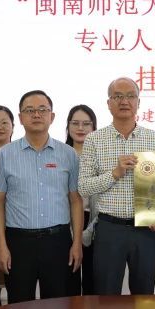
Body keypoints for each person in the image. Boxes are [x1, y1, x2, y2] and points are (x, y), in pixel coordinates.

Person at [0, 91, 83, 302]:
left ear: (52, 116)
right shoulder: (5, 154)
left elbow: (75, 200)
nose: (37, 115)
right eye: (30, 110)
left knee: (60, 307)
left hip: (58, 241)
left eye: (42, 110)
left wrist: (76, 242)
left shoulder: (68, 154)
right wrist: (1, 245)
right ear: (20, 118)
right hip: (18, 243)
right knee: (19, 306)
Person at [78, 78, 155, 295]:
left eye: (130, 96)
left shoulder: (154, 139)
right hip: (109, 229)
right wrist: (115, 174)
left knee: (144, 296)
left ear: (138, 102)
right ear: (109, 103)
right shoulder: (94, 140)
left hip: (145, 229)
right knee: (106, 296)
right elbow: (84, 187)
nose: (124, 101)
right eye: (117, 96)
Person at [65, 104, 98, 294]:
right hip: (65, 222)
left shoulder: (100, 156)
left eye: (86, 124)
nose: (80, 128)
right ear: (68, 126)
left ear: (94, 127)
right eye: (75, 123)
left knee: (93, 282)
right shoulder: (60, 154)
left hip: (95, 221)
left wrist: (91, 228)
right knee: (69, 280)